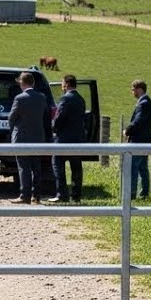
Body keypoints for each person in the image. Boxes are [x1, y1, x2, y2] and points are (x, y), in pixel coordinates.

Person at [7, 71, 50, 204]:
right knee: (36, 167)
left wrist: (12, 130)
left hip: (21, 137)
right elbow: (46, 117)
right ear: (33, 83)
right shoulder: (42, 97)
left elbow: (11, 118)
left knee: (24, 168)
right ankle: (36, 196)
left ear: (22, 83)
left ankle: (24, 195)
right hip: (38, 137)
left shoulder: (19, 98)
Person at [49, 73, 86, 203]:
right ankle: (76, 196)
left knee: (58, 166)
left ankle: (62, 194)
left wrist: (53, 128)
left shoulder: (65, 99)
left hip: (63, 139)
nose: (61, 85)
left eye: (62, 83)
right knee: (76, 168)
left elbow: (59, 117)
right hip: (77, 140)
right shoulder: (81, 99)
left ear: (67, 84)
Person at [123, 78, 151, 199]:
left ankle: (131, 194)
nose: (132, 92)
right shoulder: (145, 102)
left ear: (139, 89)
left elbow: (138, 121)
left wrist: (127, 130)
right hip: (145, 141)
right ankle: (144, 193)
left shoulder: (143, 104)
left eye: (133, 90)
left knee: (134, 167)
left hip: (139, 141)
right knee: (143, 168)